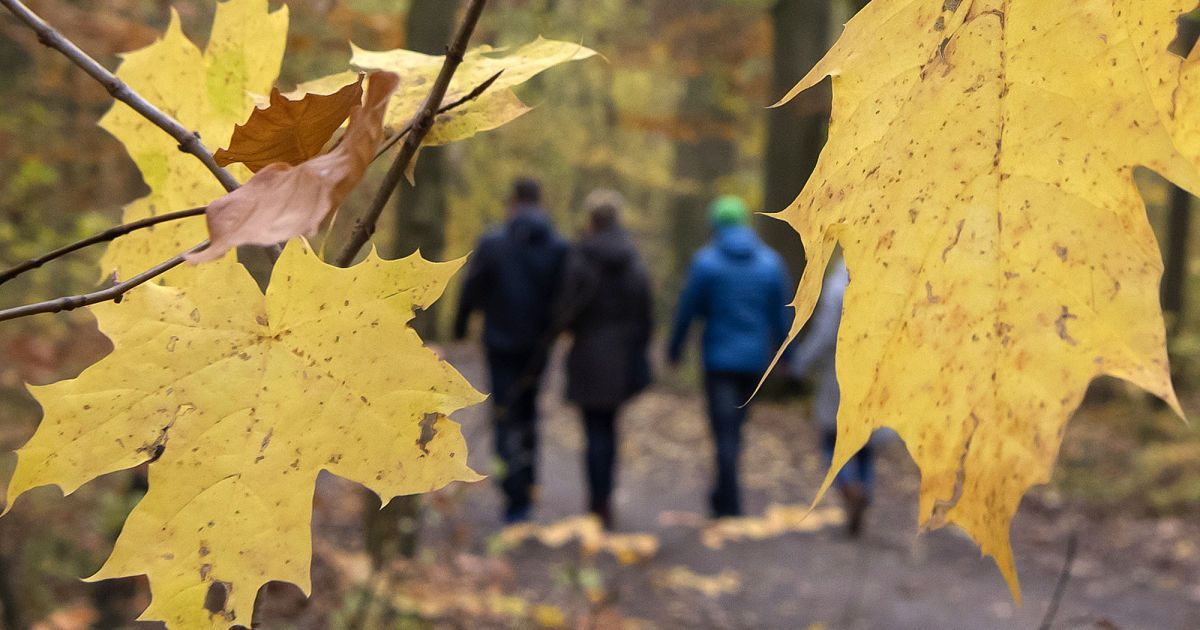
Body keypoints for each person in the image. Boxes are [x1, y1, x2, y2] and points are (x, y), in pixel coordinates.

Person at [667, 195, 792, 518]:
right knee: (735, 428)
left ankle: (727, 502)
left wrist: (675, 350)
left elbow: (687, 311)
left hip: (719, 362)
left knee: (723, 431)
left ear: (715, 225)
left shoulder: (706, 263)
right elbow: (782, 315)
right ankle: (724, 494)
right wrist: (786, 355)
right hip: (754, 363)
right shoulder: (770, 263)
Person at [454, 178, 569, 523]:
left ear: (513, 202)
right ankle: (526, 484)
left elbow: (471, 287)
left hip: (500, 343)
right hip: (537, 347)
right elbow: (566, 296)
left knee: (505, 413)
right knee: (529, 412)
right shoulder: (558, 248)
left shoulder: (493, 243)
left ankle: (514, 494)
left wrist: (460, 326)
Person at [553, 190, 653, 529]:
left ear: (591, 219)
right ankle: (605, 498)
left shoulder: (580, 258)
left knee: (593, 431)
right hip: (620, 358)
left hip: (587, 355)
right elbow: (644, 312)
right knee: (609, 429)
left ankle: (596, 500)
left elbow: (564, 311)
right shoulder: (632, 259)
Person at [789, 256, 873, 536]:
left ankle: (849, 486)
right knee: (865, 441)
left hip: (840, 373)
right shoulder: (886, 284)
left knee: (832, 439)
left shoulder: (837, 287)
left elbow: (824, 335)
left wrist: (800, 363)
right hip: (875, 374)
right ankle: (865, 488)